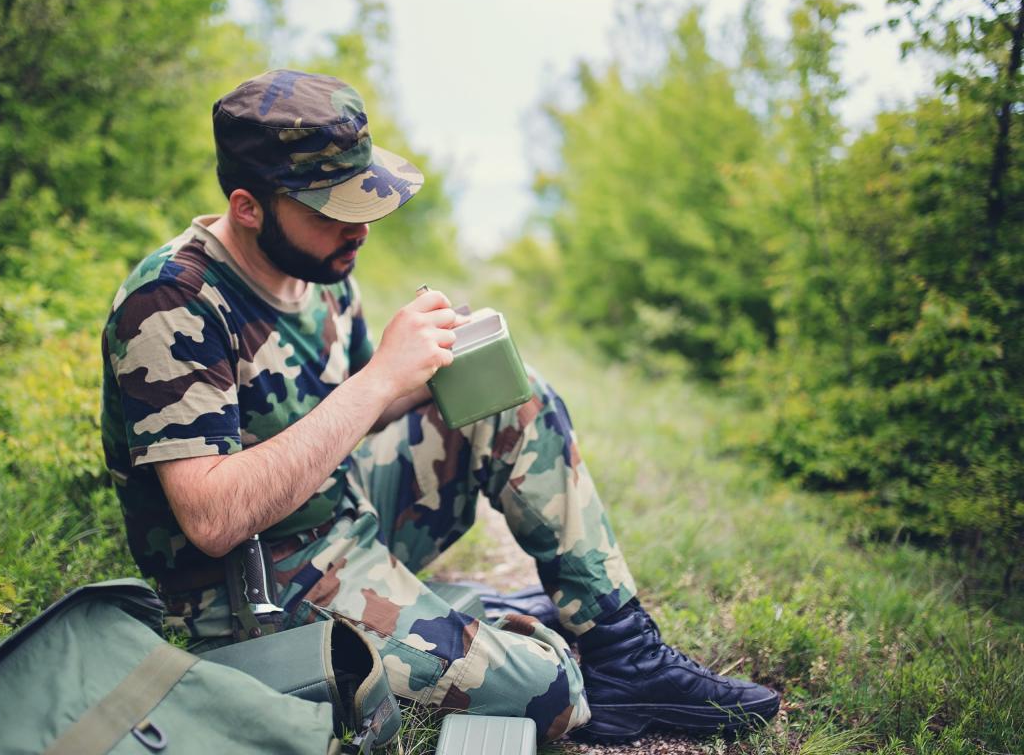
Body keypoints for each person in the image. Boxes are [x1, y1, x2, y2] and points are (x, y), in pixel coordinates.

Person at [99, 69, 780, 744]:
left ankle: (627, 652)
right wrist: (379, 379)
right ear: (249, 208)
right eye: (332, 213)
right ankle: (527, 631)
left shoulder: (319, 269)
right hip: (256, 590)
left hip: (342, 507)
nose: (359, 231)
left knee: (513, 393)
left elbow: (352, 412)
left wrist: (427, 371)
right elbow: (211, 520)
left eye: (362, 204)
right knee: (548, 691)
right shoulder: (172, 304)